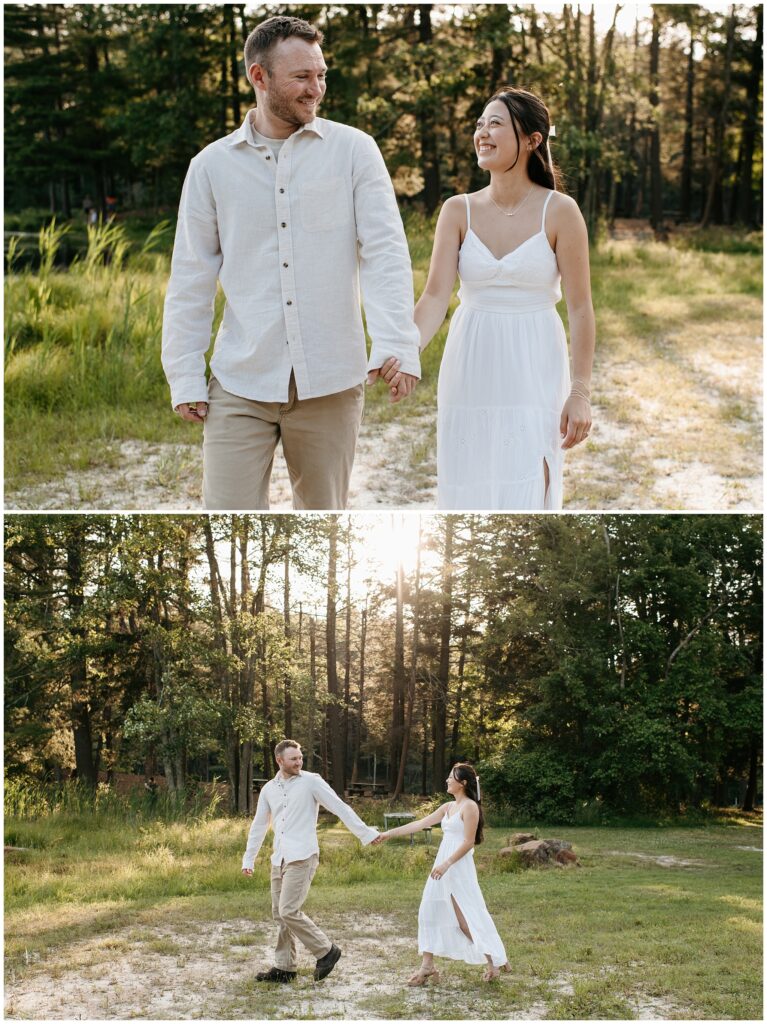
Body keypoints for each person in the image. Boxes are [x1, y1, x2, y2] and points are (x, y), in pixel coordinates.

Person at [162, 15, 420, 511]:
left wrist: (396, 344)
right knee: (226, 516)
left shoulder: (355, 151)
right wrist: (184, 373)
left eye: (321, 75)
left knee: (324, 526)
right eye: (302, 77)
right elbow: (191, 276)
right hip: (241, 380)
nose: (316, 89)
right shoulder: (210, 167)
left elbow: (385, 253)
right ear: (259, 77)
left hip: (331, 381)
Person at [408, 87, 595, 510]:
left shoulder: (560, 211)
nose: (482, 133)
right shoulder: (457, 210)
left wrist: (580, 392)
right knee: (469, 478)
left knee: (531, 478)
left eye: (496, 124)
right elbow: (435, 296)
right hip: (470, 360)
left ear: (532, 140)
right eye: (479, 124)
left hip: (535, 361)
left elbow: (581, 309)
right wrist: (405, 353)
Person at [241, 739, 380, 983]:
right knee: (279, 914)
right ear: (279, 760)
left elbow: (339, 807)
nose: (299, 762)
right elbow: (259, 825)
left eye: (300, 758)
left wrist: (366, 834)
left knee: (288, 910)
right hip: (279, 857)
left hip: (302, 856)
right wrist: (248, 858)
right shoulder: (269, 789)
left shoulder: (311, 781)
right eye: (293, 759)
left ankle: (326, 951)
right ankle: (285, 968)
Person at [376, 762, 509, 984]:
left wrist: (447, 864)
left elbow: (468, 842)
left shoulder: (470, 807)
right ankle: (427, 966)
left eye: (451, 777)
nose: (447, 780)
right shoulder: (448, 807)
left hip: (457, 866)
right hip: (441, 866)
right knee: (428, 910)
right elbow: (420, 823)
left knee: (465, 920)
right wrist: (388, 834)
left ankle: (493, 960)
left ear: (463, 783)